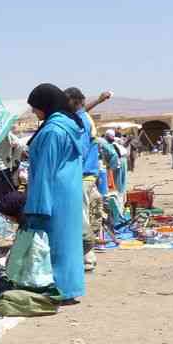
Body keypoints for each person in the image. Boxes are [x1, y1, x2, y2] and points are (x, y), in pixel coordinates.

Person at [24, 84, 85, 302]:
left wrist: (36, 207)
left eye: (35, 107)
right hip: (70, 191)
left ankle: (59, 290)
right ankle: (70, 288)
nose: (33, 111)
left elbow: (45, 171)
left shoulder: (52, 131)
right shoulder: (69, 125)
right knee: (69, 242)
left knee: (55, 243)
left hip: (53, 193)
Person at [65, 88, 111, 270]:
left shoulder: (81, 121)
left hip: (83, 174)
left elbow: (81, 150)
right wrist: (99, 100)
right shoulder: (81, 116)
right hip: (87, 173)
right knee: (84, 213)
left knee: (81, 214)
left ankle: (87, 256)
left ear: (74, 102)